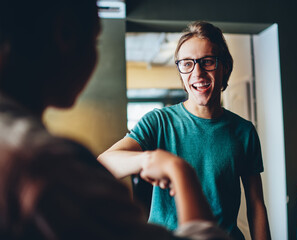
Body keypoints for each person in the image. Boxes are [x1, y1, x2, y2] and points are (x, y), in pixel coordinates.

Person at [0, 1, 230, 239]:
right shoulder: (46, 166)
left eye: (208, 61)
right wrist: (179, 169)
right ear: (65, 34)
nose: (198, 72)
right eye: (96, 39)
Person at [98, 21, 272, 240]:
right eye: (187, 64)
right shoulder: (159, 122)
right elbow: (103, 164)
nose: (197, 72)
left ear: (224, 66)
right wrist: (149, 160)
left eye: (207, 61)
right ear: (180, 70)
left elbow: (256, 205)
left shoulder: (244, 132)